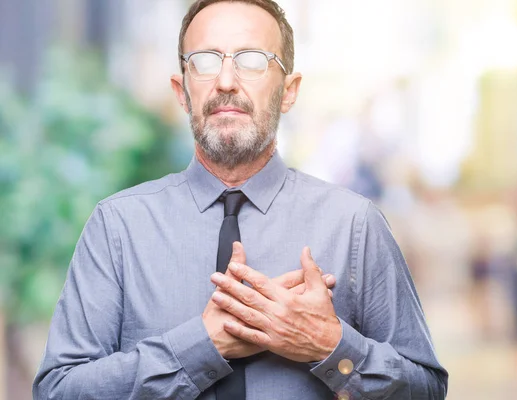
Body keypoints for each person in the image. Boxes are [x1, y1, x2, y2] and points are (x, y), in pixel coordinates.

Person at [33, 1, 448, 398]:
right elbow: (58, 391)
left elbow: (426, 390)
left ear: (288, 90)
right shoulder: (117, 228)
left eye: (251, 60)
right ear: (182, 92)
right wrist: (202, 345)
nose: (226, 81)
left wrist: (329, 346)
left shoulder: (355, 226)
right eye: (205, 61)